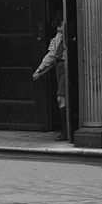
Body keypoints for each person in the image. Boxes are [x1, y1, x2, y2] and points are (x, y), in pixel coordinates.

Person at [33, 12, 69, 141]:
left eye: (61, 26)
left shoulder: (66, 36)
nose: (59, 29)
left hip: (65, 67)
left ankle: (66, 130)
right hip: (59, 67)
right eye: (58, 26)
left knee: (61, 98)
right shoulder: (57, 37)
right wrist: (40, 68)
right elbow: (51, 54)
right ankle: (65, 129)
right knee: (61, 98)